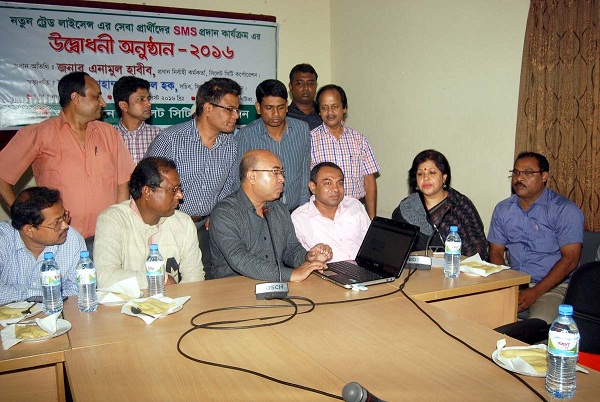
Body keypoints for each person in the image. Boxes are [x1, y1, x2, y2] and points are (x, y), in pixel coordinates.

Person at [0, 72, 135, 240]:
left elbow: (122, 184)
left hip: (105, 237)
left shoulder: (109, 134)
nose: (103, 102)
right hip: (60, 240)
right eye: (96, 96)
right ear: (76, 98)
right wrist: (24, 219)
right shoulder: (38, 134)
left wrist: (119, 226)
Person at [145, 78, 241, 271]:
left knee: (202, 278)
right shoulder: (171, 139)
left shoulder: (230, 144)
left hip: (206, 227)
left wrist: (218, 212)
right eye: (229, 109)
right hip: (168, 224)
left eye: (237, 110)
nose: (236, 116)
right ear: (208, 108)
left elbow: (230, 184)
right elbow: (147, 184)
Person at [488, 152, 583, 323]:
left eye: (528, 173)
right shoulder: (503, 209)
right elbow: (496, 252)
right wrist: (506, 285)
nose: (519, 178)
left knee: (537, 323)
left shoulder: (564, 210)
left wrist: (535, 292)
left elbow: (571, 259)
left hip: (552, 287)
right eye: (516, 172)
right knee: (478, 313)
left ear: (544, 176)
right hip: (513, 282)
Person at [209, 149, 332, 281]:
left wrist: (308, 257)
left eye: (282, 172)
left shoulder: (279, 209)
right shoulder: (225, 213)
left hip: (275, 285)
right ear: (252, 176)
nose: (282, 179)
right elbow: (240, 259)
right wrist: (290, 275)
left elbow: (290, 249)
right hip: (234, 287)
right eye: (275, 172)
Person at [94, 157, 204, 289]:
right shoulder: (112, 220)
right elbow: (105, 278)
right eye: (173, 190)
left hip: (173, 301)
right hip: (126, 302)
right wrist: (160, 279)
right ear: (147, 192)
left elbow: (195, 279)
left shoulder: (184, 223)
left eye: (179, 188)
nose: (180, 195)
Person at [392, 149, 488, 260]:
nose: (425, 178)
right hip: (416, 269)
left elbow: (478, 251)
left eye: (432, 172)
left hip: (457, 268)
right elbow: (396, 252)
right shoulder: (407, 209)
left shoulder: (461, 205)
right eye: (420, 174)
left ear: (444, 177)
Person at [0, 187, 85, 305]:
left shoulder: (72, 239)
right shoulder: (3, 240)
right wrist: (38, 295)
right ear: (29, 230)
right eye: (56, 223)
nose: (65, 226)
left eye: (64, 216)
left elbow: (77, 292)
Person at [236, 79, 311, 212]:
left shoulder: (302, 130)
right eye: (269, 108)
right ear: (258, 107)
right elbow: (239, 180)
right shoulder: (246, 136)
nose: (276, 113)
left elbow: (305, 172)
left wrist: (304, 210)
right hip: (260, 212)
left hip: (296, 211)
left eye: (280, 107)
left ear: (286, 106)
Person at [310, 84, 380, 219]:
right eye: (324, 107)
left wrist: (372, 218)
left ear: (344, 108)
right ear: (319, 112)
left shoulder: (359, 139)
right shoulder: (310, 140)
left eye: (335, 106)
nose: (330, 112)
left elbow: (369, 181)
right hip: (324, 214)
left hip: (356, 212)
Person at [292, 162, 370, 262]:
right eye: (328, 183)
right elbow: (295, 257)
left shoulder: (354, 206)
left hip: (364, 268)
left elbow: (370, 244)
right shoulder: (299, 218)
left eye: (340, 183)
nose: (336, 189)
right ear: (313, 187)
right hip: (325, 270)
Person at [112, 76, 161, 163]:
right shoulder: (108, 136)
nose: (148, 104)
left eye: (148, 99)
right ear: (124, 105)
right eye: (141, 99)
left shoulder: (159, 136)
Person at [287, 63, 322, 130]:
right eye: (300, 83)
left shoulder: (324, 115)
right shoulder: (284, 116)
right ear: (290, 86)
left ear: (316, 86)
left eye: (310, 83)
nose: (306, 88)